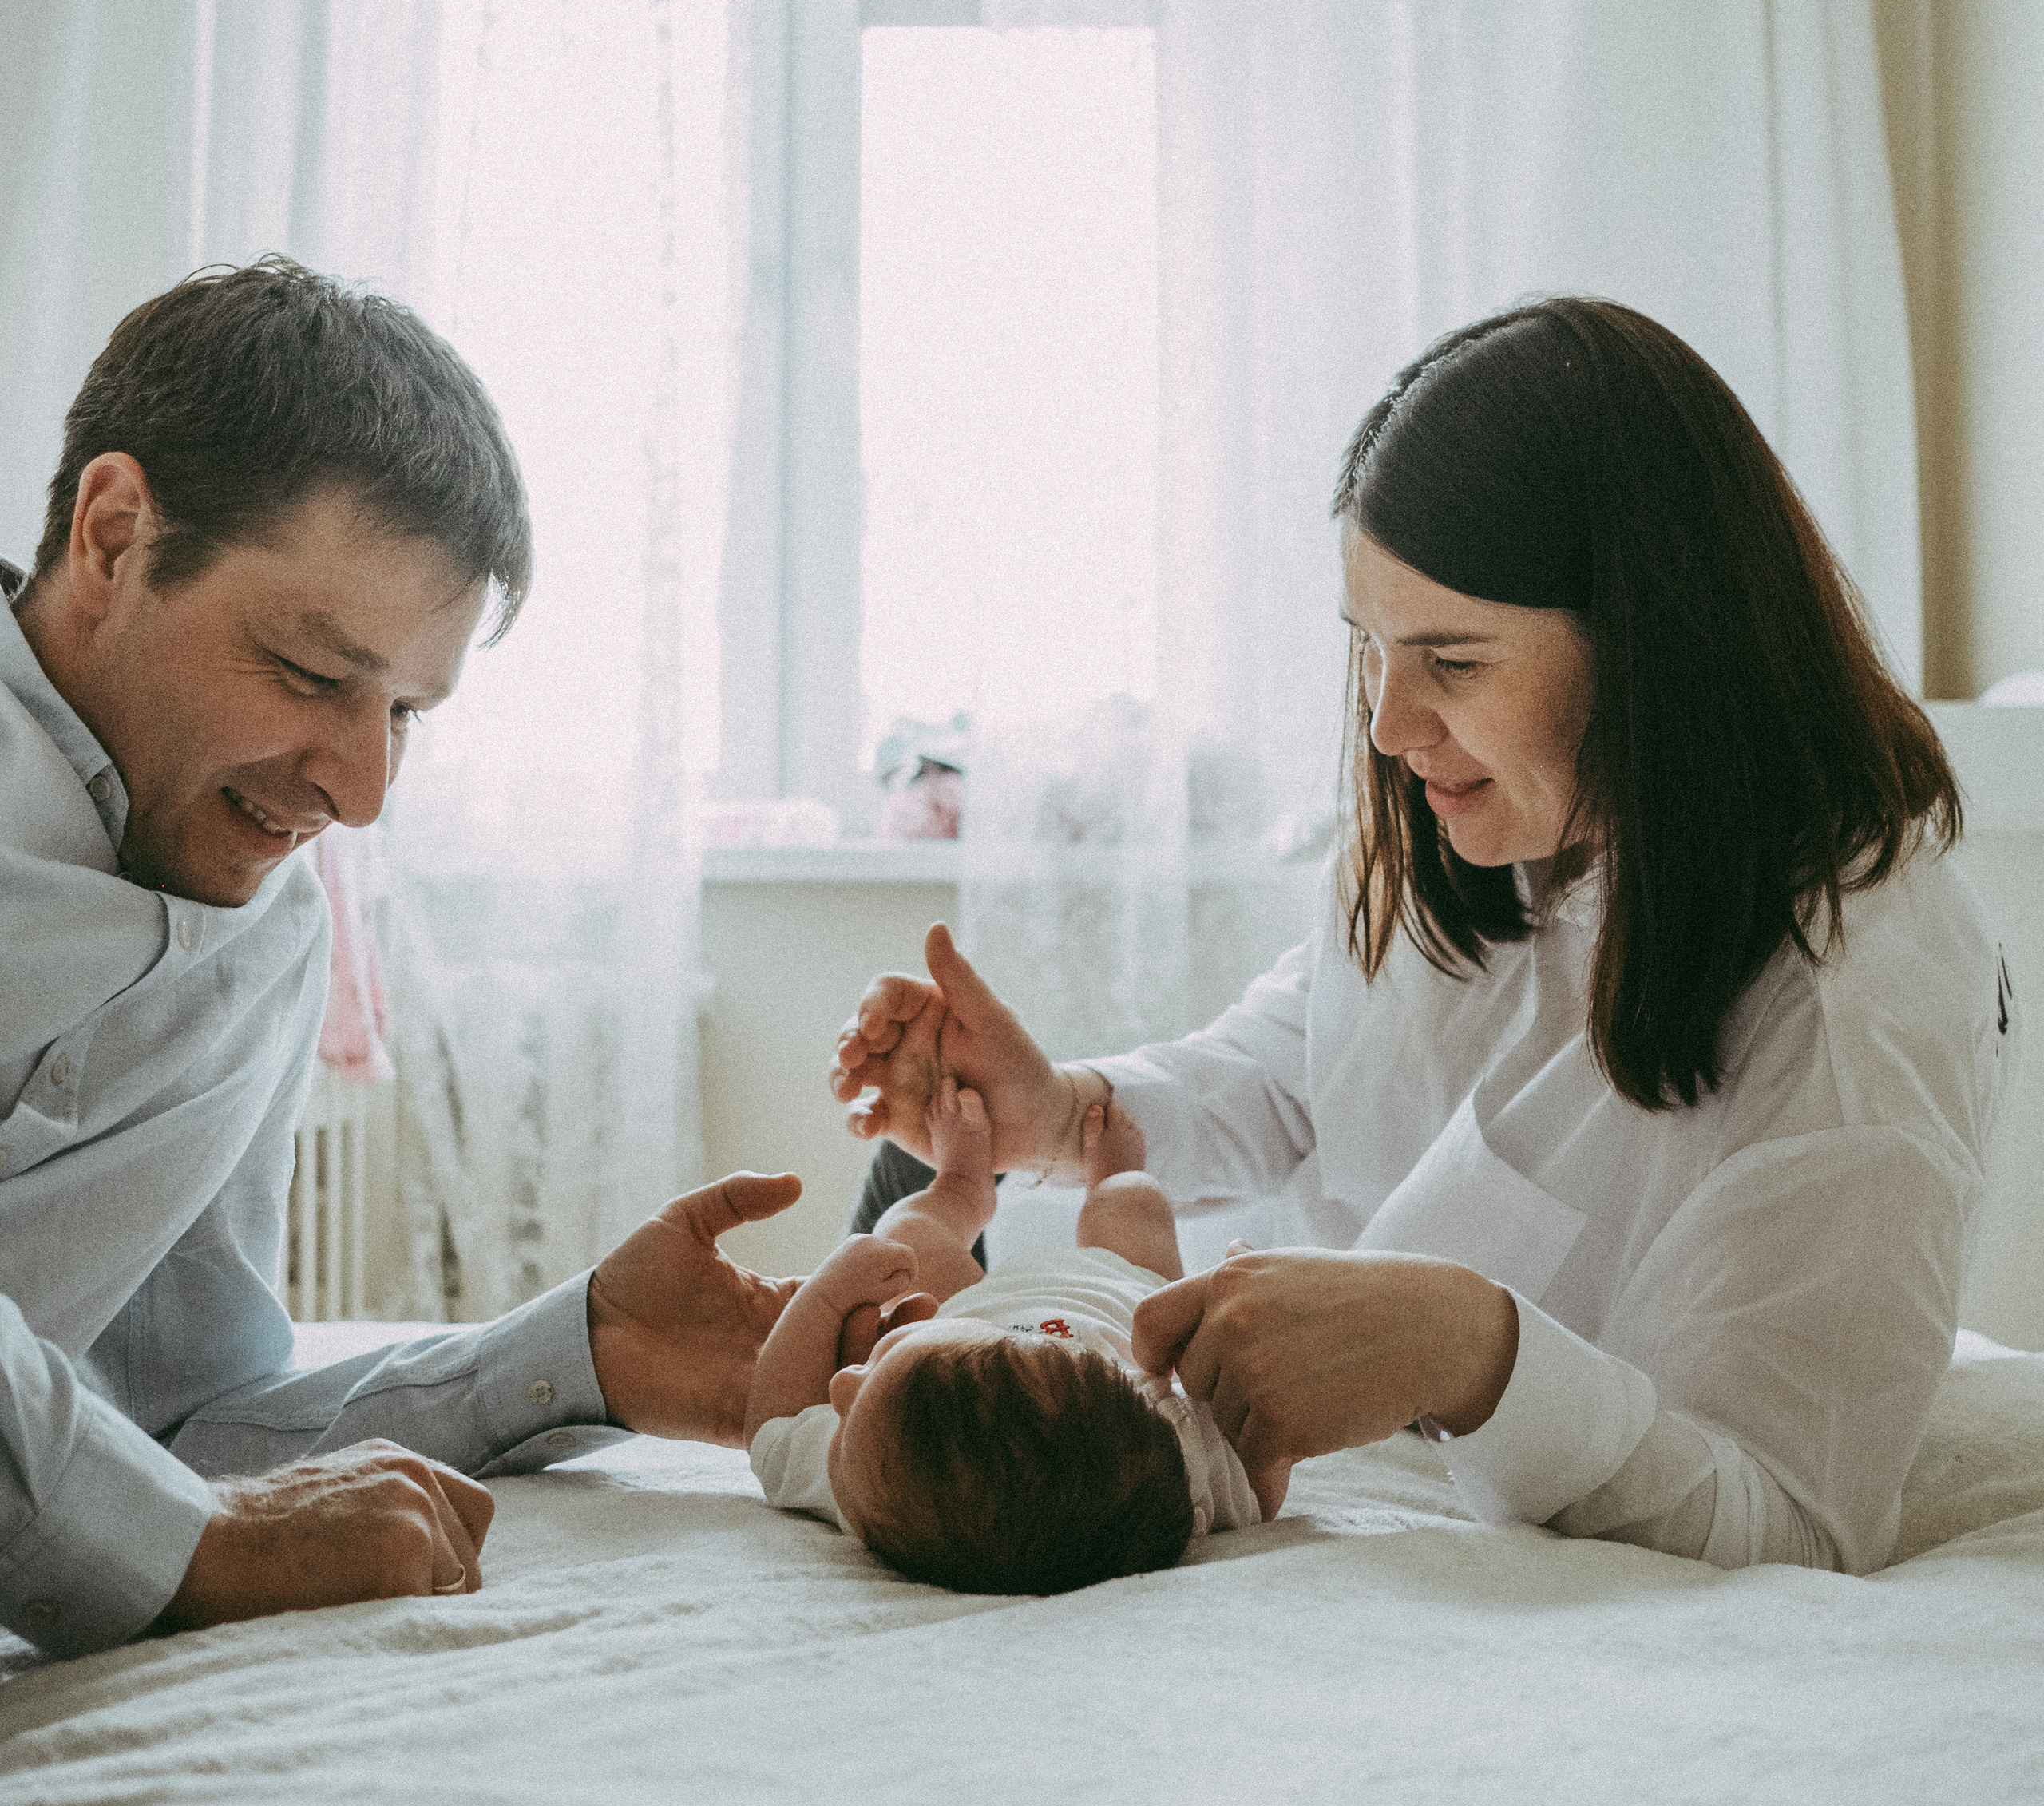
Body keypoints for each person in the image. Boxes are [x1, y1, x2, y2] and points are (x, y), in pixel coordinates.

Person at [831, 300, 2018, 1578]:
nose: (1392, 728)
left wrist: (1478, 1354)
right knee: (911, 1220)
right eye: (1373, 654)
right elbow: (1309, 1067)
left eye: (1451, 663)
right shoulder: (1500, 822)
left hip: (1450, 1494)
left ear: (1660, 646)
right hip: (1322, 1440)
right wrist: (1059, 1116)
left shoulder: (1855, 1003)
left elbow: (1791, 1523)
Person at [2, 257, 807, 1660]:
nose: (361, 794)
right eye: (314, 677)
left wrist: (575, 1357)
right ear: (115, 533)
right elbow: (170, 1517)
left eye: (408, 714)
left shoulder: (269, 936)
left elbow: (180, 1428)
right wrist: (187, 1546)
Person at [747, 1082, 1274, 1594]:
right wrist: (1250, 1320)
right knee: (1132, 1202)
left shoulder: (870, 1486)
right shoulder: (1180, 1454)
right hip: (1129, 1298)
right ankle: (1115, 1171)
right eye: (875, 1364)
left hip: (973, 1308)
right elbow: (1261, 1481)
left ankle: (960, 1185)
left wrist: (825, 1293)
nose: (841, 1386)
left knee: (905, 1233)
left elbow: (769, 1423)